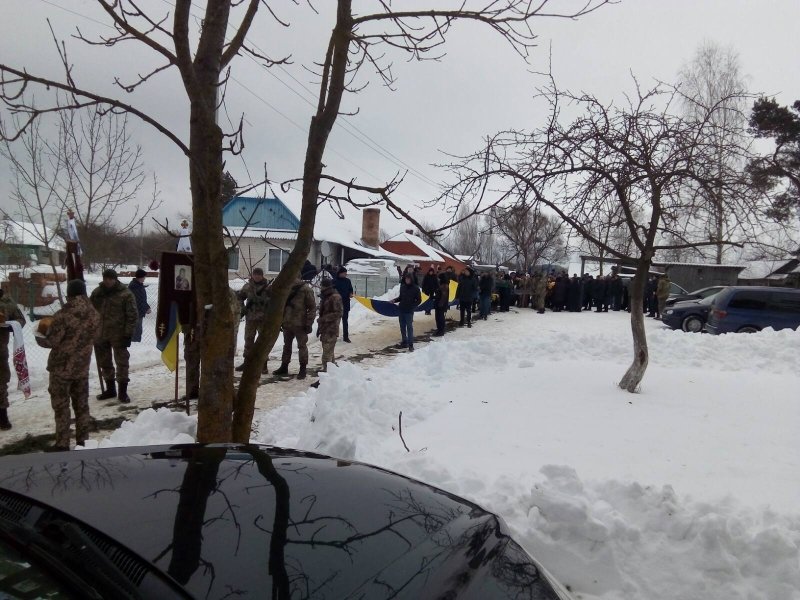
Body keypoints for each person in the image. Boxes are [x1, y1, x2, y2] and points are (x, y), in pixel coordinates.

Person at [41, 280, 101, 450]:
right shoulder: (94, 313)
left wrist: (40, 337)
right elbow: (96, 336)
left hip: (61, 369)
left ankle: (62, 444)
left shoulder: (63, 314)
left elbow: (52, 341)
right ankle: (83, 442)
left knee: (61, 406)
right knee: (82, 406)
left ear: (69, 294)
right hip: (82, 367)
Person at [91, 269, 138, 403]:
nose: (108, 281)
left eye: (110, 279)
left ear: (115, 279)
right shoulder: (97, 293)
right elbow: (90, 311)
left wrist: (128, 334)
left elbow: (132, 315)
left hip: (119, 335)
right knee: (104, 362)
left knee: (122, 363)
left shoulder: (125, 294)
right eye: (105, 278)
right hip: (101, 334)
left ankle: (122, 392)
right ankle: (110, 389)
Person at [273, 279, 316, 379]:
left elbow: (312, 307)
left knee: (302, 346)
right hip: (287, 322)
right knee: (286, 345)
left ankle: (303, 368)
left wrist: (309, 322)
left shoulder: (305, 289)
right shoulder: (286, 287)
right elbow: (280, 305)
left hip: (300, 323)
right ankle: (284, 366)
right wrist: (279, 321)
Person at [236, 268, 270, 372]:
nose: (257, 277)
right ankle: (247, 362)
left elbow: (275, 300)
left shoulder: (268, 287)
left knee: (263, 342)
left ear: (262, 276)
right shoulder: (248, 286)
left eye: (259, 275)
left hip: (263, 319)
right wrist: (243, 308)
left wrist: (266, 304)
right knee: (248, 340)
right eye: (255, 275)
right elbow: (239, 297)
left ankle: (263, 364)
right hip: (250, 318)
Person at [0, 289, 25, 430]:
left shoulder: (7, 302)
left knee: (0, 383)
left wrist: (9, 325)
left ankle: (2, 418)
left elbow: (21, 320)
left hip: (0, 351)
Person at [316, 279, 343, 372]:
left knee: (327, 351)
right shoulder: (326, 296)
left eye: (321, 286)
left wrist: (324, 319)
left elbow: (339, 313)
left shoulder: (335, 297)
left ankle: (326, 371)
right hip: (325, 328)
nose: (320, 288)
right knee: (329, 350)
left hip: (331, 328)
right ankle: (332, 369)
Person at [391, 273, 421, 351]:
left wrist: (413, 306)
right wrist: (394, 300)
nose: (407, 280)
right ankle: (404, 341)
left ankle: (411, 344)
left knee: (409, 327)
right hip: (401, 310)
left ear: (411, 279)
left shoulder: (416, 288)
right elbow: (400, 298)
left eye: (408, 279)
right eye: (406, 279)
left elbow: (419, 300)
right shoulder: (403, 287)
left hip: (409, 311)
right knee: (402, 327)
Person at [128, 268, 151, 342]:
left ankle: (137, 342)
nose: (144, 278)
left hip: (139, 312)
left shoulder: (139, 285)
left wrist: (147, 307)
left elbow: (142, 299)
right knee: (136, 331)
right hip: (135, 312)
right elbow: (138, 300)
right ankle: (135, 344)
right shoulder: (134, 287)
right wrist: (146, 308)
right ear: (140, 277)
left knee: (138, 330)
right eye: (144, 277)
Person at [333, 266, 354, 343]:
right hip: (336, 304)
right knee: (335, 321)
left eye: (346, 273)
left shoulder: (348, 281)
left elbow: (350, 289)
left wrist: (350, 293)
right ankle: (334, 336)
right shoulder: (334, 281)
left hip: (345, 303)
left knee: (345, 321)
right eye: (344, 273)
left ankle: (346, 337)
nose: (346, 274)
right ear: (340, 273)